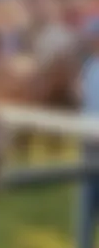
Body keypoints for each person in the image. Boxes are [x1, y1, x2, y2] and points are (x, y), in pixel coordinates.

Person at [76, 18, 99, 248]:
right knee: (86, 208)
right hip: (88, 145)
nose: (91, 40)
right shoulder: (89, 66)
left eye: (94, 36)